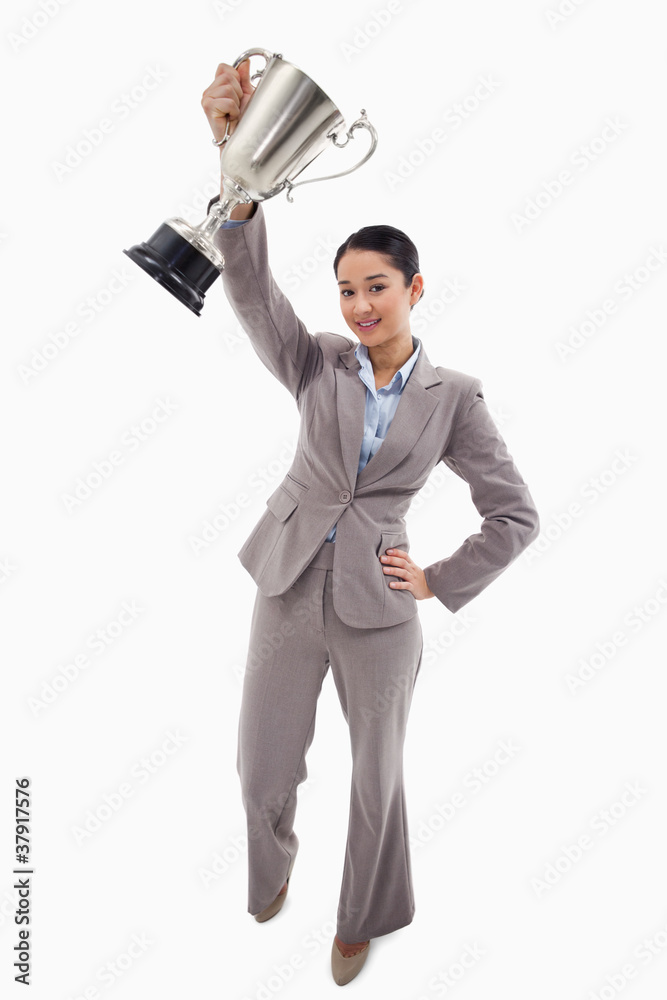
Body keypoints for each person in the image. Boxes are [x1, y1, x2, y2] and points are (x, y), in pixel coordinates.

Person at [201, 59, 540, 986]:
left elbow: (514, 514)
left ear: (415, 289)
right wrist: (234, 169)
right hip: (285, 586)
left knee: (375, 780)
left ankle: (365, 916)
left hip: (380, 610)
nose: (357, 306)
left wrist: (437, 578)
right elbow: (252, 293)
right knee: (260, 767)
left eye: (376, 287)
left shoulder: (455, 396)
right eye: (346, 290)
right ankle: (271, 871)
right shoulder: (315, 361)